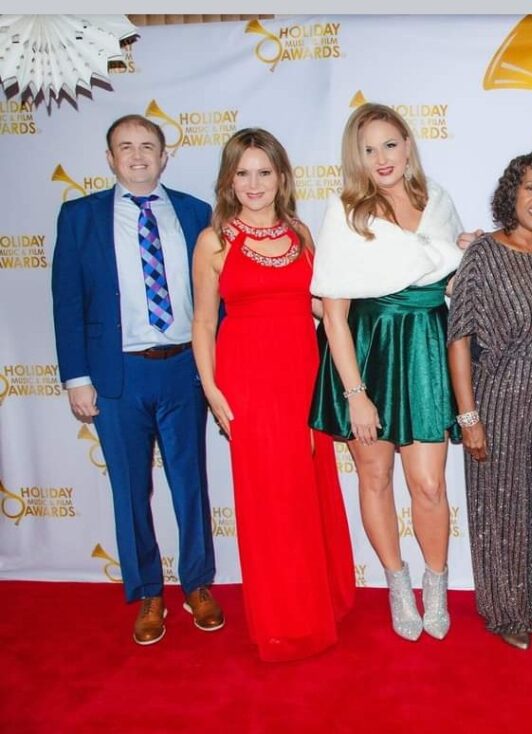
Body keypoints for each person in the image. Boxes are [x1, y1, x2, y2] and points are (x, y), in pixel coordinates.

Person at [51, 114, 222, 645]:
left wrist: (220, 369)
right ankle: (149, 592)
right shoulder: (79, 217)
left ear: (164, 155)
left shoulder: (196, 213)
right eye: (125, 146)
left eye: (148, 145)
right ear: (109, 158)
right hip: (116, 375)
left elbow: (219, 300)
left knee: (190, 484)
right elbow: (67, 302)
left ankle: (197, 583)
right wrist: (77, 377)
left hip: (183, 370)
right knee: (130, 489)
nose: (138, 155)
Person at [191, 128, 356, 661]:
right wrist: (212, 389)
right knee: (270, 501)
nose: (254, 183)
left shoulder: (300, 233)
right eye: (243, 173)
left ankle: (317, 601)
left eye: (265, 172)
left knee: (305, 492)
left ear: (282, 177)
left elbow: (319, 307)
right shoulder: (214, 240)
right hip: (248, 381)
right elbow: (201, 323)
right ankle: (282, 619)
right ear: (229, 179)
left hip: (303, 376)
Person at [310, 103, 464, 642]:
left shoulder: (438, 201)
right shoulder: (347, 212)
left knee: (428, 483)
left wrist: (463, 251)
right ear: (357, 157)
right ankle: (397, 583)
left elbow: (452, 282)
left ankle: (436, 582)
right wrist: (355, 394)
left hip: (425, 348)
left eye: (390, 144)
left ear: (407, 145)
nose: (381, 158)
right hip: (368, 351)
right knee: (375, 477)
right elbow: (332, 310)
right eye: (368, 149)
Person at [447, 151, 532, 650]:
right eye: (530, 187)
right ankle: (505, 610)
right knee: (501, 505)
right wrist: (469, 417)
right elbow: (458, 336)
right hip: (501, 393)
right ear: (511, 193)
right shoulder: (484, 254)